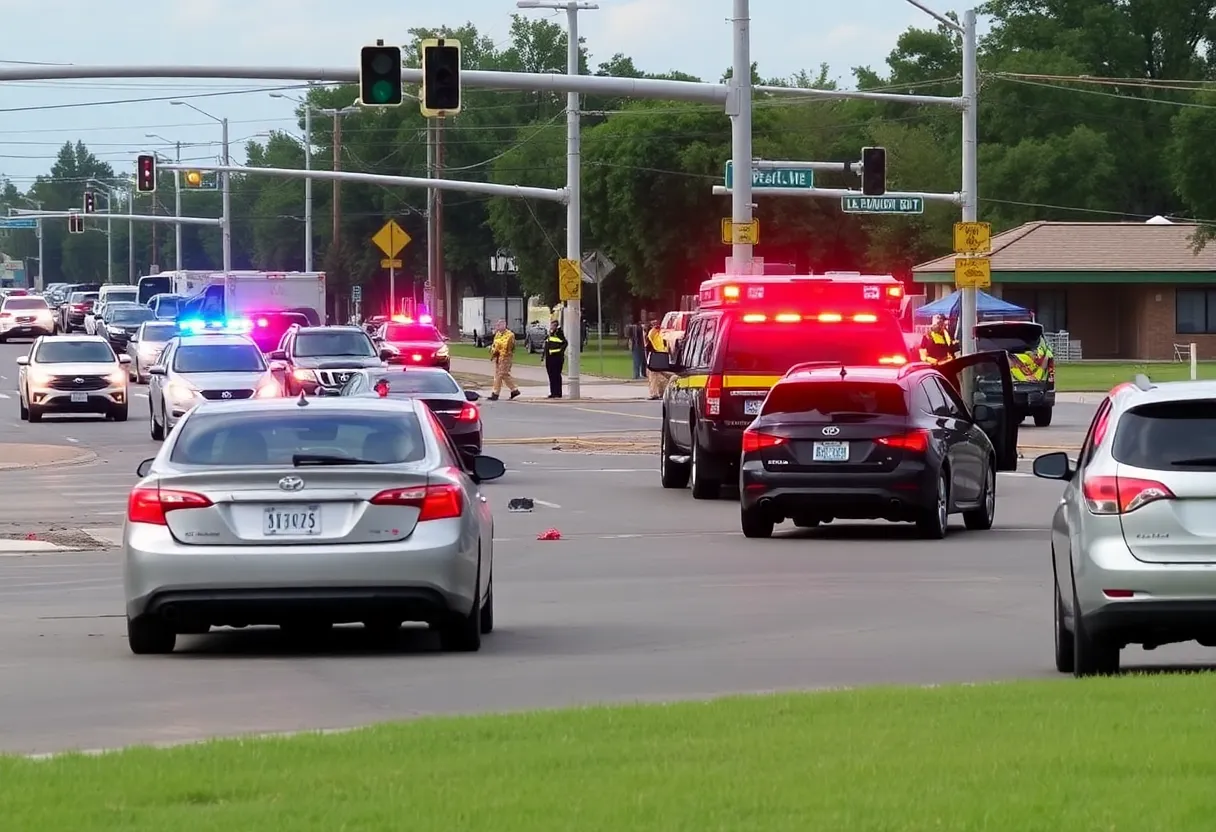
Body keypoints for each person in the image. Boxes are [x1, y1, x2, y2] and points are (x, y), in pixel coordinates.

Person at [488, 318, 521, 400]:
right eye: (497, 325)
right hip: (498, 356)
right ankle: (513, 390)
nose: (497, 327)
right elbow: (495, 344)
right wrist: (493, 352)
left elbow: (509, 347)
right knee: (501, 375)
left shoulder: (510, 335)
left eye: (499, 325)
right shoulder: (498, 334)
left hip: (506, 357)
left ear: (504, 325)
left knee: (501, 374)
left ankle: (497, 393)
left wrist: (503, 352)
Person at [542, 319, 568, 399]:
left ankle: (558, 392)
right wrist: (543, 357)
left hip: (557, 358)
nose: (551, 326)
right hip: (549, 358)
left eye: (553, 325)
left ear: (556, 326)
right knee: (551, 375)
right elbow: (546, 346)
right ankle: (553, 392)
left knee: (556, 375)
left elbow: (565, 343)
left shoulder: (559, 333)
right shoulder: (550, 334)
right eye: (551, 325)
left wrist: (560, 351)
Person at [645, 318, 668, 400]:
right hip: (662, 354)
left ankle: (655, 393)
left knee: (654, 376)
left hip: (656, 355)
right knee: (661, 376)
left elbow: (650, 336)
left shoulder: (653, 333)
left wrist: (654, 328)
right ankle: (662, 392)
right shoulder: (663, 333)